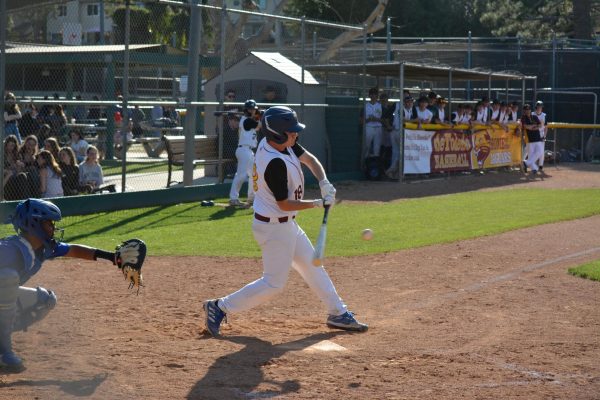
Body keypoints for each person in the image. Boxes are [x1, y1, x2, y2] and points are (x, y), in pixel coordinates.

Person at [203, 106, 368, 337]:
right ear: (278, 134)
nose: (296, 134)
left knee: (312, 266)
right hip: (273, 228)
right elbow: (284, 204)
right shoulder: (274, 163)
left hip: (286, 225)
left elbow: (310, 159)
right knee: (273, 284)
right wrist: (316, 203)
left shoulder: (282, 145)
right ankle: (219, 307)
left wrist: (324, 181)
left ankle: (337, 312)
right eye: (291, 132)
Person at [0, 198, 143, 373]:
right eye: (48, 223)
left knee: (45, 300)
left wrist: (113, 257)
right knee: (7, 278)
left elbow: (73, 249)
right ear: (33, 223)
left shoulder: (41, 248)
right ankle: (3, 351)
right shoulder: (10, 249)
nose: (53, 228)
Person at [229, 99, 260, 207]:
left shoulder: (249, 119)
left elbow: (257, 124)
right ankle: (233, 198)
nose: (252, 111)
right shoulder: (246, 121)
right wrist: (260, 114)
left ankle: (252, 197)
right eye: (250, 109)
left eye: (253, 109)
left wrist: (258, 113)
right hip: (244, 150)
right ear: (246, 110)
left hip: (249, 151)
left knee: (253, 175)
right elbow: (258, 125)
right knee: (241, 175)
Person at [3, 136, 29, 201]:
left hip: (16, 177)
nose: (10, 148)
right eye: (9, 145)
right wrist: (9, 168)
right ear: (5, 145)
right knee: (10, 175)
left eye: (12, 145)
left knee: (22, 176)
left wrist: (19, 166)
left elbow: (19, 172)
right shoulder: (2, 154)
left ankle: (24, 199)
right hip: (6, 177)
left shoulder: (17, 155)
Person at [521, 104, 544, 176]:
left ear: (530, 110)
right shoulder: (523, 118)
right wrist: (533, 126)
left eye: (528, 109)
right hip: (529, 139)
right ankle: (534, 169)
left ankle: (525, 163)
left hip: (537, 137)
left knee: (540, 152)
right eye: (526, 109)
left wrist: (534, 127)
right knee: (531, 155)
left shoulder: (534, 116)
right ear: (524, 111)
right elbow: (526, 126)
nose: (527, 111)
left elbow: (540, 125)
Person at [363, 87, 382, 159]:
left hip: (378, 127)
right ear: (369, 95)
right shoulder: (366, 105)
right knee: (367, 145)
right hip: (369, 127)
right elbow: (361, 119)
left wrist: (376, 119)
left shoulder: (380, 105)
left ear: (377, 96)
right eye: (372, 94)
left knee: (377, 147)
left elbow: (384, 119)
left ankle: (375, 164)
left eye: (375, 94)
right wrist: (369, 119)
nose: (373, 96)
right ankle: (364, 162)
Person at [533, 100, 549, 172]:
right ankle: (530, 164)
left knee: (541, 151)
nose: (540, 108)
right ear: (536, 107)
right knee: (532, 150)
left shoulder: (544, 115)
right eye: (538, 107)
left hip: (541, 134)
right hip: (533, 133)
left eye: (541, 107)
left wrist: (544, 136)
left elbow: (546, 127)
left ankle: (540, 166)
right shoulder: (532, 114)